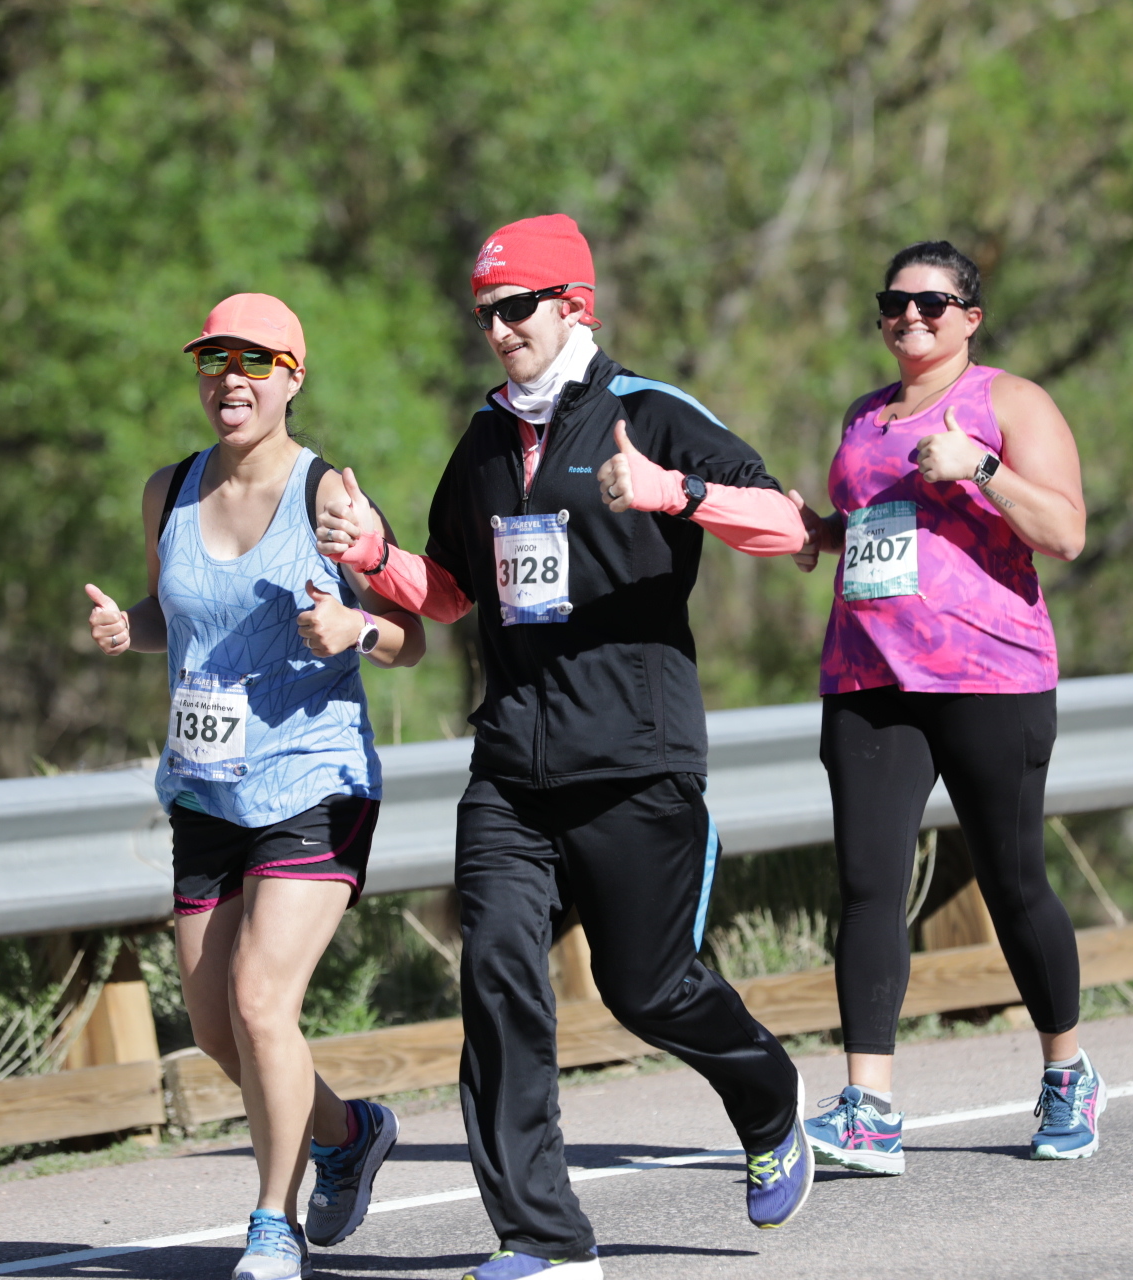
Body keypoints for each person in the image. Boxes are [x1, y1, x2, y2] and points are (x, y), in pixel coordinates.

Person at [315, 214, 816, 1280]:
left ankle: (770, 1098)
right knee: (498, 978)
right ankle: (543, 1237)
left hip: (636, 758)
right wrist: (373, 553)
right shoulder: (485, 443)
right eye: (484, 314)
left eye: (516, 308)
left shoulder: (650, 412)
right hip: (512, 767)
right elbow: (451, 591)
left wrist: (675, 492)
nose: (499, 330)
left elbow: (791, 526)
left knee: (648, 987)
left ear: (573, 304)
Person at [83, 292, 426, 1280]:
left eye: (255, 362)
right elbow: (179, 609)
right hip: (208, 788)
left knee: (261, 1000)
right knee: (215, 1027)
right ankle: (349, 1132)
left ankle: (272, 1224)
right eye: (214, 360)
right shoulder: (169, 491)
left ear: (292, 376)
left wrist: (355, 628)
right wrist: (133, 628)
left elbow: (410, 637)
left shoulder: (330, 496)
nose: (231, 379)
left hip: (315, 779)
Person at [787, 240, 1101, 1174]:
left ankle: (1067, 1070)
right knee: (868, 886)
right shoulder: (864, 415)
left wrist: (981, 468)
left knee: (1012, 882)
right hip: (869, 675)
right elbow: (882, 525)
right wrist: (820, 533)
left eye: (932, 303)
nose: (910, 317)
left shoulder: (1011, 402)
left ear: (971, 317)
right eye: (895, 302)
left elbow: (1067, 532)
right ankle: (869, 1109)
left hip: (988, 675)